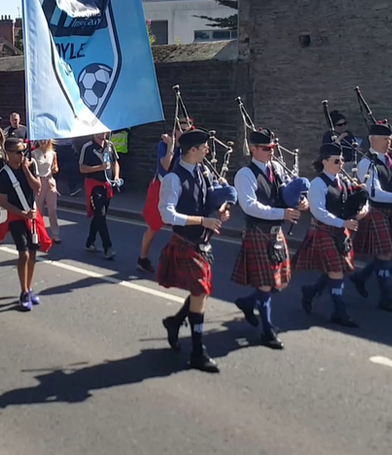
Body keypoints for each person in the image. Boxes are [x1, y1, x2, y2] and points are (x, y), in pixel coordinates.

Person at [155, 129, 232, 373]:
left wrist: (219, 213)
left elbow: (205, 201)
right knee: (200, 292)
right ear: (192, 150)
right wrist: (201, 221)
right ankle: (198, 352)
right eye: (204, 147)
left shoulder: (202, 172)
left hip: (201, 242)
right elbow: (166, 214)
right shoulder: (172, 179)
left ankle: (175, 322)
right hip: (185, 242)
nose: (208, 150)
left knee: (201, 292)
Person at [230, 128, 307, 350]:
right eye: (266, 148)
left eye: (272, 147)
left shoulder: (277, 168)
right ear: (253, 149)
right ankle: (267, 330)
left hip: (276, 233)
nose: (271, 152)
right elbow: (250, 206)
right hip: (258, 231)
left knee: (276, 283)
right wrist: (281, 213)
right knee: (265, 285)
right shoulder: (245, 174)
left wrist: (301, 203)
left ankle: (247, 302)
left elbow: (286, 194)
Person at [348, 123, 392, 314]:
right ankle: (385, 298)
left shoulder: (391, 159)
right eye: (385, 138)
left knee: (391, 254)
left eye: (390, 138)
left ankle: (361, 277)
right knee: (385, 255)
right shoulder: (366, 163)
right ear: (373, 140)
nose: (389, 142)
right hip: (377, 211)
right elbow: (375, 194)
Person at [296, 144, 368, 328]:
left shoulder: (343, 180)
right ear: (325, 161)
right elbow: (318, 211)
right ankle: (339, 311)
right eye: (337, 160)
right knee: (336, 271)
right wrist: (342, 223)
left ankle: (311, 291)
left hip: (339, 232)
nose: (340, 163)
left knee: (337, 270)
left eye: (342, 160)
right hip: (325, 230)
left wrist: (363, 207)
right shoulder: (318, 184)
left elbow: (357, 201)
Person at [0, 137, 52, 311]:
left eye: (23, 151)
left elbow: (37, 188)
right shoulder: (3, 174)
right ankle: (23, 291)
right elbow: (3, 202)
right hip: (17, 217)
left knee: (34, 253)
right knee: (24, 254)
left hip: (32, 215)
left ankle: (29, 287)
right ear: (8, 154)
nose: (22, 155)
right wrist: (22, 214)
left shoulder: (30, 165)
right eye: (18, 152)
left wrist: (26, 170)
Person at [138, 119, 191, 273]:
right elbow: (166, 165)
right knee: (154, 226)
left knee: (181, 225)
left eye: (187, 130)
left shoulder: (188, 149)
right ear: (175, 131)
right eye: (181, 129)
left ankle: (177, 261)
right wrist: (171, 147)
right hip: (161, 187)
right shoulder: (164, 145)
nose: (184, 132)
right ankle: (142, 257)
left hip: (180, 189)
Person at [79, 131, 120, 259]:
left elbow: (115, 163)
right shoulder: (87, 147)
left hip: (107, 185)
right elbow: (82, 168)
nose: (105, 133)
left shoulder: (110, 145)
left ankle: (89, 242)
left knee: (99, 215)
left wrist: (117, 176)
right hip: (93, 185)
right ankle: (107, 247)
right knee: (100, 215)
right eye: (102, 131)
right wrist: (100, 168)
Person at [32, 139, 61, 242]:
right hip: (39, 182)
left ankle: (55, 234)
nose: (42, 141)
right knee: (39, 211)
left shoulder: (53, 153)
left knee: (52, 210)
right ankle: (39, 233)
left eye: (44, 139)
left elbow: (56, 167)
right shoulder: (34, 153)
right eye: (40, 139)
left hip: (50, 182)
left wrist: (54, 169)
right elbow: (32, 170)